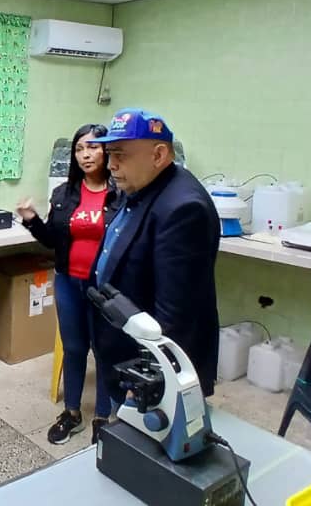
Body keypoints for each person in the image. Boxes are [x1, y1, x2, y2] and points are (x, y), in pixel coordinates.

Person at [88, 108, 221, 408]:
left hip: (149, 371)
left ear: (158, 155)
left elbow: (176, 315)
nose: (110, 165)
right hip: (121, 346)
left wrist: (151, 380)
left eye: (120, 155)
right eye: (109, 154)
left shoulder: (183, 209)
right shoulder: (140, 185)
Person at [17, 124, 121, 445]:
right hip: (68, 282)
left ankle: (103, 416)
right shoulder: (64, 194)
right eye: (79, 149)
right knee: (74, 348)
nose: (85, 155)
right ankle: (72, 413)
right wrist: (31, 219)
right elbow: (52, 240)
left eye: (93, 147)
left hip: (105, 288)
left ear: (107, 151)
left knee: (104, 351)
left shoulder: (122, 194)